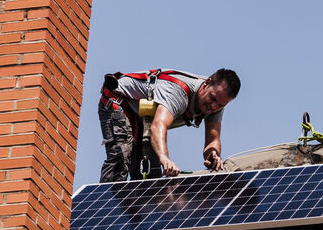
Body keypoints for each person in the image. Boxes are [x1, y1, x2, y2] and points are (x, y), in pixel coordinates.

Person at [98, 68, 241, 182]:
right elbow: (158, 125)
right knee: (121, 157)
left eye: (220, 105)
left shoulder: (216, 105)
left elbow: (213, 140)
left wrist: (213, 154)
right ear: (207, 83)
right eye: (213, 98)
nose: (213, 106)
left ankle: (138, 217)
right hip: (119, 101)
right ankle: (103, 209)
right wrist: (164, 158)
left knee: (151, 176)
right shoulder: (178, 92)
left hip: (144, 119)